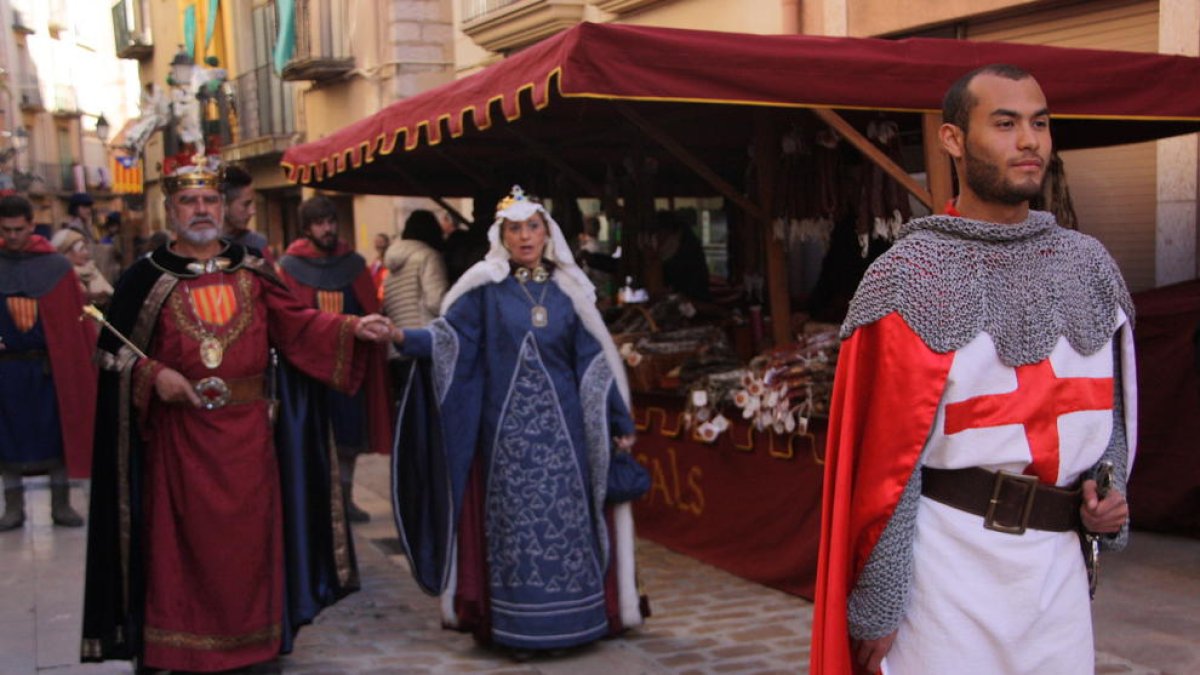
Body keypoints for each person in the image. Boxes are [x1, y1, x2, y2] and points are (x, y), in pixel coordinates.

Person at [811, 64, 1137, 675]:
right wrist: (879, 600)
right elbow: (888, 460)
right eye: (1006, 123)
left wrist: (1108, 494)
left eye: (1040, 123)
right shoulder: (909, 277)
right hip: (947, 574)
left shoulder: (1089, 267)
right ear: (954, 140)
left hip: (1056, 575)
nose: (1029, 141)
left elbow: (1112, 414)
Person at [81, 157, 393, 672]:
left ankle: (255, 649)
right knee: (182, 551)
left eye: (209, 200)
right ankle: (178, 651)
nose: (200, 209)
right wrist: (155, 375)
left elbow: (296, 324)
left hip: (249, 441)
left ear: (223, 208)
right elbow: (114, 354)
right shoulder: (145, 277)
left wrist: (350, 330)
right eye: (189, 201)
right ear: (171, 208)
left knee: (248, 551)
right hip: (179, 443)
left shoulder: (251, 269)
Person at [388, 186, 646, 654]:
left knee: (568, 528)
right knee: (514, 534)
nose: (524, 236)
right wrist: (402, 336)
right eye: (515, 228)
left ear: (547, 232)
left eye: (532, 226)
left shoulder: (570, 292)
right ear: (501, 236)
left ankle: (577, 623)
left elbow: (594, 362)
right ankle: (520, 631)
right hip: (505, 443)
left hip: (567, 441)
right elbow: (450, 340)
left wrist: (616, 417)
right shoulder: (484, 291)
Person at [277, 195, 392, 523]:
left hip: (350, 367)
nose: (327, 229)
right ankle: (318, 502)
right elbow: (289, 318)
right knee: (313, 435)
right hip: (309, 369)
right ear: (307, 228)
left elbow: (369, 308)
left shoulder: (354, 264)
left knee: (348, 437)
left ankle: (345, 497)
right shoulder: (289, 267)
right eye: (319, 223)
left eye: (330, 222)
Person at [0, 195, 97, 530]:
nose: (12, 236)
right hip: (7, 369)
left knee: (57, 431)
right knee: (6, 436)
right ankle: (13, 507)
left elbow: (74, 320)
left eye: (18, 229)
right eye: (6, 230)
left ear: (31, 225)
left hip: (48, 368)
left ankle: (61, 504)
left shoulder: (56, 267)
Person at [381, 210, 447, 331]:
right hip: (426, 338)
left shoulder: (390, 267)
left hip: (398, 342)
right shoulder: (428, 257)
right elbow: (436, 302)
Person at [220, 163, 272, 261]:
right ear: (224, 204)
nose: (252, 211)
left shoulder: (257, 244)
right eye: (246, 204)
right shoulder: (203, 245)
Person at [51, 228, 114, 307]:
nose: (86, 253)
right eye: (81, 249)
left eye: (85, 248)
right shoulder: (62, 277)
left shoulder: (91, 270)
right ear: (67, 254)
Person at [369, 232, 390, 297]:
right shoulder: (376, 261)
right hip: (376, 295)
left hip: (387, 293)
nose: (378, 245)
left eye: (380, 242)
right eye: (376, 242)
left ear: (387, 243)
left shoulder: (390, 260)